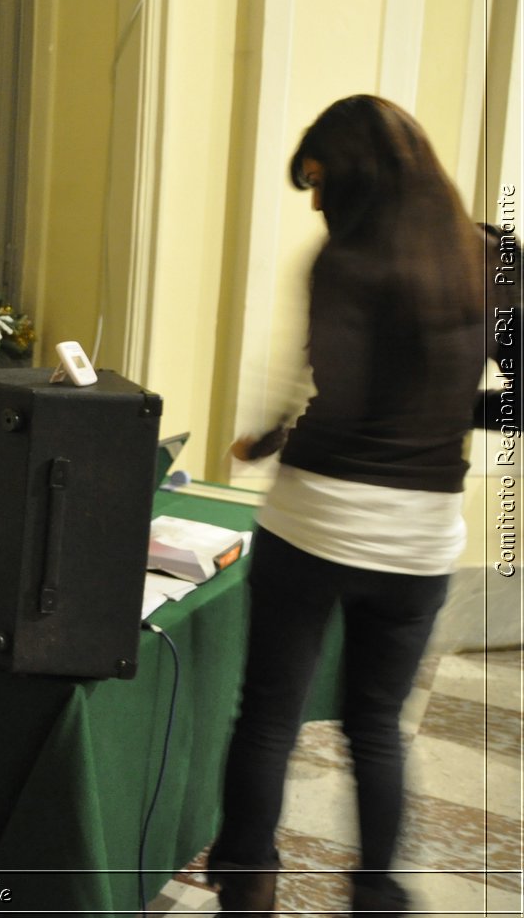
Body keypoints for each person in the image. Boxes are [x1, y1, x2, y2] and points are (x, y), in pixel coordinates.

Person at [207, 96, 500, 916]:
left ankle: (246, 883)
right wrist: (450, 416)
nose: (313, 199)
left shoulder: (344, 263)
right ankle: (376, 893)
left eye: (316, 178)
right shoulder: (496, 260)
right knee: (375, 723)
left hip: (318, 523)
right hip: (421, 539)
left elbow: (340, 403)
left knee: (268, 716)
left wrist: (277, 440)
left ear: (356, 172)